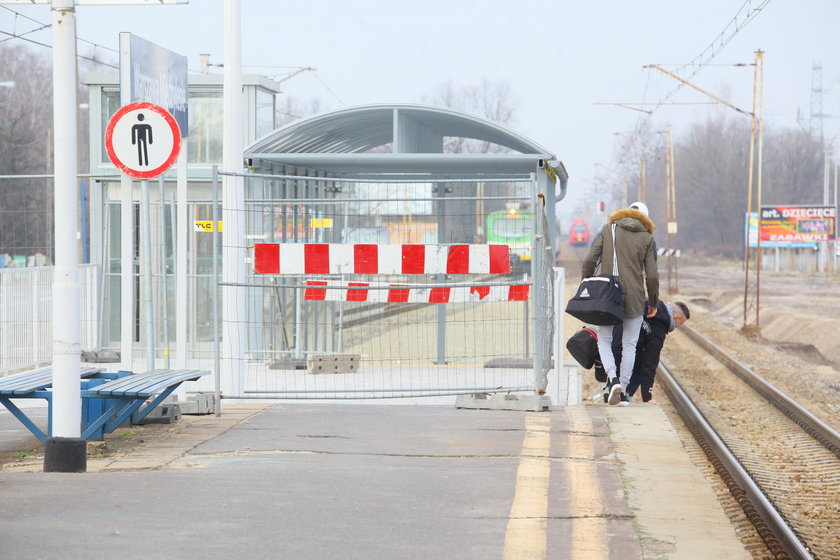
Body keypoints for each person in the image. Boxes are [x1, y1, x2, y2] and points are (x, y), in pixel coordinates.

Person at [581, 201, 659, 406]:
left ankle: (612, 378)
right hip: (634, 297)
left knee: (604, 339)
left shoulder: (608, 230)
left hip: (607, 295)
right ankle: (623, 392)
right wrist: (653, 300)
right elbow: (651, 275)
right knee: (630, 345)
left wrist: (586, 282)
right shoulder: (647, 238)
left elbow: (590, 259)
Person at [605, 300, 690, 404]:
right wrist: (647, 397)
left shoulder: (649, 303)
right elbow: (650, 362)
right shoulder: (659, 326)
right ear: (676, 317)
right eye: (680, 323)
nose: (677, 326)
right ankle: (626, 394)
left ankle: (610, 387)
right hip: (624, 348)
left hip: (612, 340)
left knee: (633, 351)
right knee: (643, 360)